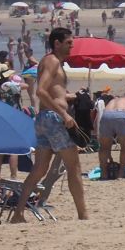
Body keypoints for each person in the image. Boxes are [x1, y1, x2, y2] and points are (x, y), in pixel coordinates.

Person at [11, 27, 90, 222]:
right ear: (57, 43)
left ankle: (18, 213)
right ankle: (83, 215)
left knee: (39, 169)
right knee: (74, 166)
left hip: (45, 119)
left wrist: (73, 97)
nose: (72, 46)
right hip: (54, 119)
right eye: (68, 42)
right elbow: (41, 91)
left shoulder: (54, 63)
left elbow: (55, 93)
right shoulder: (52, 61)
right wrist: (64, 113)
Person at [97, 88, 125, 180]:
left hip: (106, 115)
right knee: (124, 147)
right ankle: (121, 173)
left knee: (104, 147)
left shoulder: (113, 100)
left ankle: (103, 174)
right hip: (122, 115)